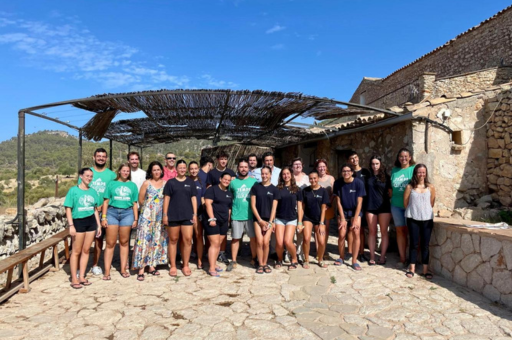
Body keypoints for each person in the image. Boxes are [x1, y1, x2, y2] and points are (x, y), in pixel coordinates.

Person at [64, 168, 102, 288]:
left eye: (91, 176)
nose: (89, 178)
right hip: (78, 222)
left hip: (90, 222)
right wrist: (71, 225)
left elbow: (95, 209)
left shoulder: (93, 191)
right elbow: (68, 208)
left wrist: (98, 225)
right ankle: (74, 278)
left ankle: (82, 276)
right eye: (87, 176)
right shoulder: (73, 191)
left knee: (86, 250)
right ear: (81, 176)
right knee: (76, 251)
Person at [81, 148, 116, 276]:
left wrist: (104, 206)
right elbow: (81, 190)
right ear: (94, 157)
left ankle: (95, 264)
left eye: (103, 156)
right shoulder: (87, 173)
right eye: (98, 156)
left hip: (104, 211)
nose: (101, 158)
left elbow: (114, 192)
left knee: (99, 239)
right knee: (83, 240)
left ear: (106, 158)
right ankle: (81, 266)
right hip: (87, 210)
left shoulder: (111, 175)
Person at [101, 163, 139, 280]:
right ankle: (107, 271)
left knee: (124, 242)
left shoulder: (132, 185)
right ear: (119, 171)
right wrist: (104, 217)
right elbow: (106, 201)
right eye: (124, 170)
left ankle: (123, 268)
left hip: (127, 214)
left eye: (128, 171)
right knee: (110, 243)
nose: (126, 173)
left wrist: (136, 218)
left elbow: (134, 204)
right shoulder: (111, 184)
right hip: (112, 213)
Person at [132, 161, 168, 281]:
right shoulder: (146, 183)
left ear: (162, 171)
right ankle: (141, 268)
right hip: (147, 218)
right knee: (144, 241)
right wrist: (149, 209)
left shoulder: (165, 183)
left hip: (159, 219)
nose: (157, 172)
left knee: (156, 240)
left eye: (158, 169)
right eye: (154, 170)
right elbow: (141, 200)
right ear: (151, 172)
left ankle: (152, 266)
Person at [163, 160, 197, 277]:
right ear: (176, 169)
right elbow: (166, 199)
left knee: (187, 239)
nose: (182, 169)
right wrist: (165, 215)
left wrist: (195, 214)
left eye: (184, 168)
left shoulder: (190, 182)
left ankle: (185, 264)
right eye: (180, 167)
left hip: (187, 215)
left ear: (186, 169)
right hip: (173, 215)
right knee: (173, 240)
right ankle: (173, 265)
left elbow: (193, 198)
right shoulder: (170, 183)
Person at [404, 164, 435, 279]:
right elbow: (406, 203)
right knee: (414, 244)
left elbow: (431, 203)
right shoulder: (409, 187)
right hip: (413, 218)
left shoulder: (430, 187)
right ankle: (412, 268)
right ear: (415, 173)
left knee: (425, 245)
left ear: (426, 173)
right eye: (419, 172)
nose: (421, 175)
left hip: (427, 219)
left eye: (423, 172)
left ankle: (425, 270)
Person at [333, 164, 366, 271]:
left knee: (356, 232)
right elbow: (338, 202)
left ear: (352, 172)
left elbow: (360, 203)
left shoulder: (358, 183)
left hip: (355, 211)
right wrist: (342, 218)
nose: (346, 173)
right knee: (342, 234)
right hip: (343, 211)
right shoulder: (338, 183)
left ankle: (354, 261)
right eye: (344, 171)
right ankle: (341, 257)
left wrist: (355, 219)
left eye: (348, 171)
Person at [228, 158, 258, 271]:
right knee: (235, 238)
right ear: (238, 168)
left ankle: (254, 258)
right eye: (241, 167)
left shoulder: (253, 182)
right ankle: (234, 260)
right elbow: (229, 197)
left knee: (253, 239)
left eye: (246, 167)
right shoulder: (233, 182)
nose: (243, 169)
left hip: (250, 215)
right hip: (237, 215)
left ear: (249, 168)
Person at [206, 151, 236, 264]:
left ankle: (221, 253)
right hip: (214, 206)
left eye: (225, 159)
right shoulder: (212, 173)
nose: (223, 161)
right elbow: (208, 187)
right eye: (221, 159)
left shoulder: (231, 172)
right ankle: (211, 254)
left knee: (223, 234)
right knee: (214, 236)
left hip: (226, 204)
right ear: (217, 160)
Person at [250, 166, 279, 274]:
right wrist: (260, 220)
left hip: (269, 220)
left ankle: (265, 263)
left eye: (266, 173)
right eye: (262, 174)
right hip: (258, 219)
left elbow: (274, 208)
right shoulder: (255, 187)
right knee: (259, 242)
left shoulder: (274, 189)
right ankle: (260, 264)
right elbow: (253, 205)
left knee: (266, 242)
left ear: (270, 174)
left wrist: (270, 222)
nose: (264, 176)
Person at [390, 148, 416, 268]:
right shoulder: (394, 171)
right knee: (400, 231)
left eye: (406, 156)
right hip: (396, 205)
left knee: (412, 232)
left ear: (410, 157)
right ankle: (402, 258)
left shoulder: (413, 169)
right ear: (398, 158)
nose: (403, 158)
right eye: (401, 156)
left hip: (411, 206)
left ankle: (413, 259)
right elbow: (391, 188)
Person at [204, 172, 233, 277]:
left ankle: (214, 263)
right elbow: (208, 203)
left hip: (223, 222)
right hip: (213, 221)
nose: (226, 181)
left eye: (229, 180)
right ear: (220, 179)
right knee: (214, 244)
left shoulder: (229, 193)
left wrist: (228, 220)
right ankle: (211, 268)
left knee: (218, 245)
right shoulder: (212, 190)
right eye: (225, 179)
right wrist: (211, 218)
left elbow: (229, 208)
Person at [299, 171, 329, 269]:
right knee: (306, 238)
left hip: (319, 219)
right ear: (309, 179)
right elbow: (302, 207)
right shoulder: (305, 191)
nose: (313, 180)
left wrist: (321, 223)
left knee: (321, 241)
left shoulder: (323, 191)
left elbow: (324, 207)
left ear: (318, 178)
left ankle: (320, 259)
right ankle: (306, 259)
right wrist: (300, 221)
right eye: (311, 178)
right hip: (307, 218)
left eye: (315, 178)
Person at [275, 166, 303, 270]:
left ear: (291, 175)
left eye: (287, 173)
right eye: (284, 174)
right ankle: (279, 259)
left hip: (292, 219)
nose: (286, 176)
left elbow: (300, 207)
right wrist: (272, 220)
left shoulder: (297, 189)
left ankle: (294, 258)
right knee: (279, 242)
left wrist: (300, 222)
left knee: (287, 241)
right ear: (281, 176)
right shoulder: (277, 189)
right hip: (279, 218)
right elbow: (274, 205)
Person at [366, 155, 392, 265]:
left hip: (384, 208)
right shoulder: (368, 177)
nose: (374, 166)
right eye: (373, 164)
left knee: (384, 232)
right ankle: (372, 256)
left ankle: (382, 256)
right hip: (370, 207)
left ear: (380, 164)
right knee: (372, 232)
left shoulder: (386, 177)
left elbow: (390, 193)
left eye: (377, 163)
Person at [348, 151, 371, 262]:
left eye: (356, 157)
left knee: (361, 229)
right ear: (349, 161)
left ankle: (361, 253)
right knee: (352, 229)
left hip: (364, 204)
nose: (354, 160)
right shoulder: (349, 173)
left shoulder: (366, 172)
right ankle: (351, 252)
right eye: (352, 158)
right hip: (352, 205)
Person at [314, 159, 335, 260]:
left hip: (328, 207)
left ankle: (324, 249)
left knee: (325, 229)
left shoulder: (331, 179)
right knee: (317, 229)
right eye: (320, 167)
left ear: (326, 167)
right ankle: (318, 250)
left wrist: (328, 203)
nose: (322, 168)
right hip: (316, 207)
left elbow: (334, 193)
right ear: (317, 168)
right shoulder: (315, 178)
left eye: (323, 166)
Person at [291, 157, 309, 263]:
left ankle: (300, 252)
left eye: (299, 164)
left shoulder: (307, 178)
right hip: (291, 208)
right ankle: (290, 252)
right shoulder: (290, 177)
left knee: (301, 232)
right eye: (295, 164)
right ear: (292, 167)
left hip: (304, 208)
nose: (298, 166)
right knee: (291, 232)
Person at [189, 161, 206, 269]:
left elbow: (203, 198)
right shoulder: (186, 181)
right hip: (187, 213)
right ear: (188, 170)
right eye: (191, 169)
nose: (194, 170)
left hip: (198, 213)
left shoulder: (201, 183)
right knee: (186, 238)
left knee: (199, 236)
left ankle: (200, 259)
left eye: (196, 168)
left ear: (198, 169)